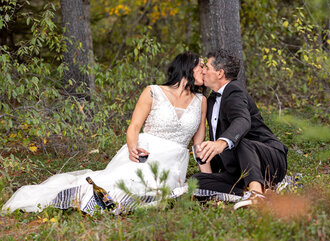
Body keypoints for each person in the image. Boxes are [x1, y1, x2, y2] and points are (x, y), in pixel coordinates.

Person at [2, 52, 207, 214]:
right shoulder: (153, 91)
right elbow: (134, 127)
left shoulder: (201, 101)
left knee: (156, 194)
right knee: (120, 187)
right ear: (187, 67)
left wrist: (210, 180)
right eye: (201, 66)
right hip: (146, 154)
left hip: (173, 163)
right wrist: (132, 148)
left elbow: (199, 145)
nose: (205, 71)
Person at [192, 49, 288, 209]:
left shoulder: (234, 91)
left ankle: (256, 193)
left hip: (269, 159)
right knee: (196, 181)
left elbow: (242, 120)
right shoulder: (210, 100)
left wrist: (221, 142)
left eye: (207, 68)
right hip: (240, 168)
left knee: (242, 142)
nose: (203, 71)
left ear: (220, 73)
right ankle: (261, 193)